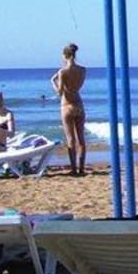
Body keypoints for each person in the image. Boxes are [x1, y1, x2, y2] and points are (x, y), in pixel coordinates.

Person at [52, 43, 88, 176]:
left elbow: (60, 91)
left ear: (65, 56)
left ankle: (73, 169)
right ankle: (81, 168)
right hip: (78, 104)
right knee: (81, 139)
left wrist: (53, 81)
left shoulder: (63, 72)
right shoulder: (82, 70)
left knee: (71, 139)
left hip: (67, 105)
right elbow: (77, 87)